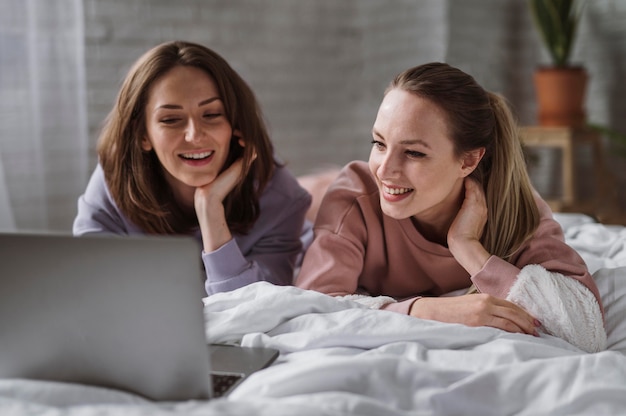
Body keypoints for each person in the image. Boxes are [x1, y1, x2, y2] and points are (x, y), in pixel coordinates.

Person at [295, 62, 606, 353]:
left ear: (468, 160)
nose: (384, 169)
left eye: (414, 153)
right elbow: (310, 310)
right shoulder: (354, 198)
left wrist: (468, 248)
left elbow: (586, 334)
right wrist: (427, 310)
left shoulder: (515, 210)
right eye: (379, 143)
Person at [73, 40, 312, 295]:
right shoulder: (115, 181)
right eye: (171, 119)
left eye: (211, 115)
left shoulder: (282, 201)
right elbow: (89, 287)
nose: (194, 135)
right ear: (143, 135)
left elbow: (253, 313)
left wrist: (210, 210)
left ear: (235, 124)